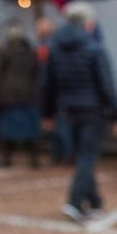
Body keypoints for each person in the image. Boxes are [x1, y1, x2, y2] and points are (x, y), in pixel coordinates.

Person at [41, 0, 117, 222]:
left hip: (67, 111)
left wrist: (47, 113)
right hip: (92, 110)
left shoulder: (55, 48)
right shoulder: (94, 48)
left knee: (82, 156)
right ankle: (75, 202)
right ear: (87, 24)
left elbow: (48, 84)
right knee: (87, 157)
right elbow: (107, 85)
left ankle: (94, 202)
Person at [0, 25, 40, 167]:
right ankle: (33, 158)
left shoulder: (6, 52)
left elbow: (0, 75)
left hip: (9, 95)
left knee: (8, 129)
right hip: (28, 93)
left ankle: (7, 158)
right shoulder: (31, 52)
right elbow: (36, 73)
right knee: (30, 128)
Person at [34, 16, 70, 165]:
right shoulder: (58, 45)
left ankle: (63, 154)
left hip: (55, 91)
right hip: (61, 90)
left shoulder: (46, 48)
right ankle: (61, 154)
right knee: (59, 124)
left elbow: (44, 74)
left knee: (59, 125)